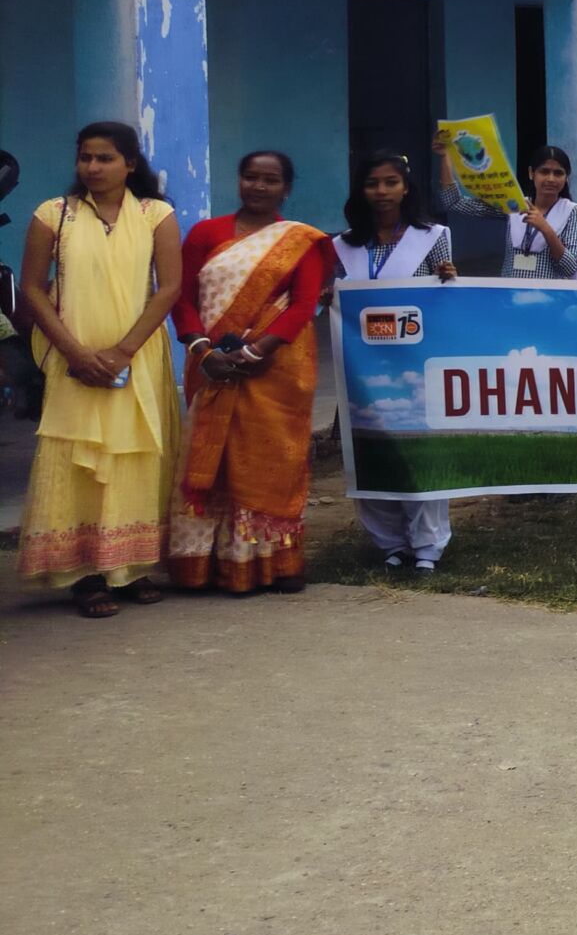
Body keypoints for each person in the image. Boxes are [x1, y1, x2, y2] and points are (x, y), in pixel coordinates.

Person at [13, 123, 185, 617]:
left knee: (137, 456)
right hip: (73, 361)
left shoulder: (156, 215)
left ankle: (132, 567)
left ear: (131, 164)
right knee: (76, 458)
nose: (92, 167)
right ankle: (85, 574)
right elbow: (32, 289)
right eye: (85, 158)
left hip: (137, 359)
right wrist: (74, 353)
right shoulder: (54, 214)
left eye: (105, 158)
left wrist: (124, 351)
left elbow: (168, 287)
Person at [168, 151, 329, 595]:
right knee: (211, 456)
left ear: (287, 187)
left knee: (271, 458)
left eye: (270, 179)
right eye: (251, 177)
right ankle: (201, 566)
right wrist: (202, 349)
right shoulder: (206, 233)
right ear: (238, 181)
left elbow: (302, 305)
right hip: (210, 365)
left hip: (273, 370)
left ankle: (272, 563)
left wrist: (255, 352)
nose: (259, 186)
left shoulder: (300, 240)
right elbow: (182, 299)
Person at [330, 150, 459, 571]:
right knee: (370, 448)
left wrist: (449, 280)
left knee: (421, 451)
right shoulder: (343, 244)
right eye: (372, 184)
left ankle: (427, 545)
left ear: (406, 187)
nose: (382, 191)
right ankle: (389, 543)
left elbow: (443, 295)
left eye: (390, 182)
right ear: (360, 190)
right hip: (362, 365)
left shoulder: (432, 236)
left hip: (415, 361)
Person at [437, 134, 577, 279]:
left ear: (566, 177)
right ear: (531, 173)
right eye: (544, 171)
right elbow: (454, 202)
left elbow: (571, 266)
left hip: (548, 299)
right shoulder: (515, 204)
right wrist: (445, 157)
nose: (551, 179)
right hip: (510, 298)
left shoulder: (571, 211)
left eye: (558, 173)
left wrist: (545, 229)